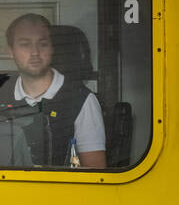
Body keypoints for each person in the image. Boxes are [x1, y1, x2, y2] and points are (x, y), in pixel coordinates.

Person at [0, 14, 105, 168]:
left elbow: (96, 173)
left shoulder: (82, 99)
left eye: (42, 44)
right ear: (10, 51)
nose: (34, 52)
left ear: (52, 48)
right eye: (25, 44)